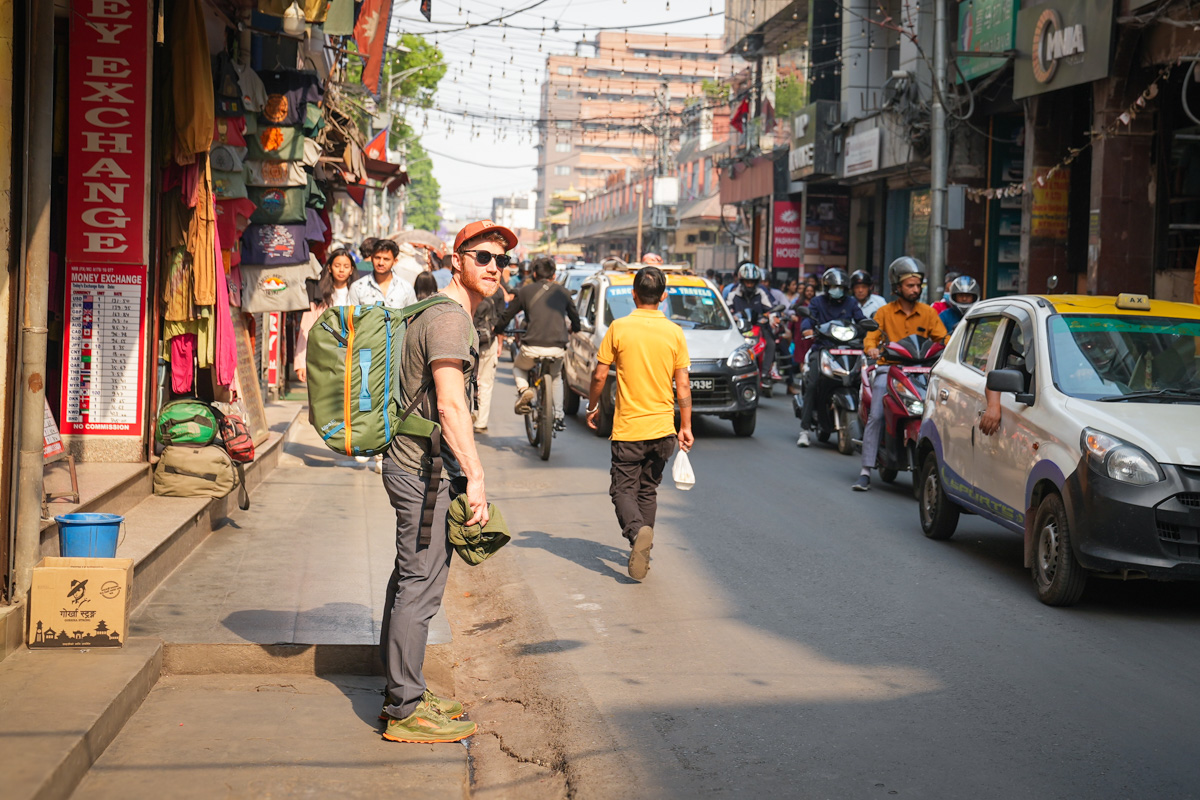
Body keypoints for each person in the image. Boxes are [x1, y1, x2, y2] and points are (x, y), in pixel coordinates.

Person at [378, 219, 505, 744]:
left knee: (409, 577)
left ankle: (404, 686)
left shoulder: (439, 313)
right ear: (457, 261)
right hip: (424, 472)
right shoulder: (451, 321)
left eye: (501, 260)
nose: (494, 267)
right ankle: (405, 710)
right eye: (482, 257)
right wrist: (475, 475)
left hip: (415, 465)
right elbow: (452, 406)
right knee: (421, 586)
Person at [586, 265, 693, 580]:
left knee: (622, 489)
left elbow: (599, 375)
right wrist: (685, 425)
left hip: (630, 428)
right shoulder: (675, 332)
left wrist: (592, 405)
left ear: (633, 295)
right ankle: (643, 549)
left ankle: (637, 533)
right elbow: (683, 386)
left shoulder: (619, 328)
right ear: (663, 297)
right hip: (663, 429)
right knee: (648, 490)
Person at [854, 256, 948, 491]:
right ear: (897, 287)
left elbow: (943, 337)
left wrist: (953, 346)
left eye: (918, 285)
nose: (916, 289)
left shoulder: (928, 313)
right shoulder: (884, 312)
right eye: (910, 285)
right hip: (889, 368)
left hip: (923, 370)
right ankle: (865, 470)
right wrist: (872, 348)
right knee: (876, 413)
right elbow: (871, 337)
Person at [495, 256, 581, 430]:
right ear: (554, 275)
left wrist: (498, 329)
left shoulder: (525, 292)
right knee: (556, 377)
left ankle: (524, 389)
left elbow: (507, 315)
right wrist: (574, 329)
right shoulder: (563, 292)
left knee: (519, 367)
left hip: (531, 347)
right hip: (557, 348)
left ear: (534, 273)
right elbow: (575, 318)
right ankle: (558, 416)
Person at [796, 268, 866, 447]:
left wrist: (866, 327)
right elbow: (808, 320)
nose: (838, 290)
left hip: (848, 350)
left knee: (863, 383)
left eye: (841, 287)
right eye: (834, 286)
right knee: (812, 384)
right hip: (823, 348)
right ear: (826, 287)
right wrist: (808, 328)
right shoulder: (817, 302)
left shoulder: (851, 303)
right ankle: (804, 430)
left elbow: (861, 319)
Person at [295, 248, 355, 384]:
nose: (341, 270)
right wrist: (301, 363)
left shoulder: (357, 293)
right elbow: (307, 327)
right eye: (337, 266)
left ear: (351, 270)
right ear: (329, 268)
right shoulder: (318, 294)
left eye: (346, 266)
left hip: (351, 356)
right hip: (323, 357)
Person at [728, 263, 782, 381]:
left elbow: (770, 309)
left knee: (771, 343)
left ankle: (766, 373)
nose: (749, 284)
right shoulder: (733, 295)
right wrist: (733, 317)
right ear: (741, 281)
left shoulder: (761, 293)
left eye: (752, 282)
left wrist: (773, 316)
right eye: (747, 281)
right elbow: (726, 311)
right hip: (739, 330)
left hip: (759, 327)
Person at [471, 278, 509, 433]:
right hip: (488, 341)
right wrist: (500, 343)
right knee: (486, 382)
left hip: (468, 341)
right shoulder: (497, 291)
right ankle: (480, 422)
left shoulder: (469, 290)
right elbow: (500, 321)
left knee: (467, 379)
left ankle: (468, 415)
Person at [347, 239, 418, 308]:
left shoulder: (406, 288)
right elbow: (351, 317)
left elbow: (412, 317)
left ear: (395, 261)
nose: (381, 263)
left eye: (386, 259)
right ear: (371, 258)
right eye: (377, 258)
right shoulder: (358, 288)